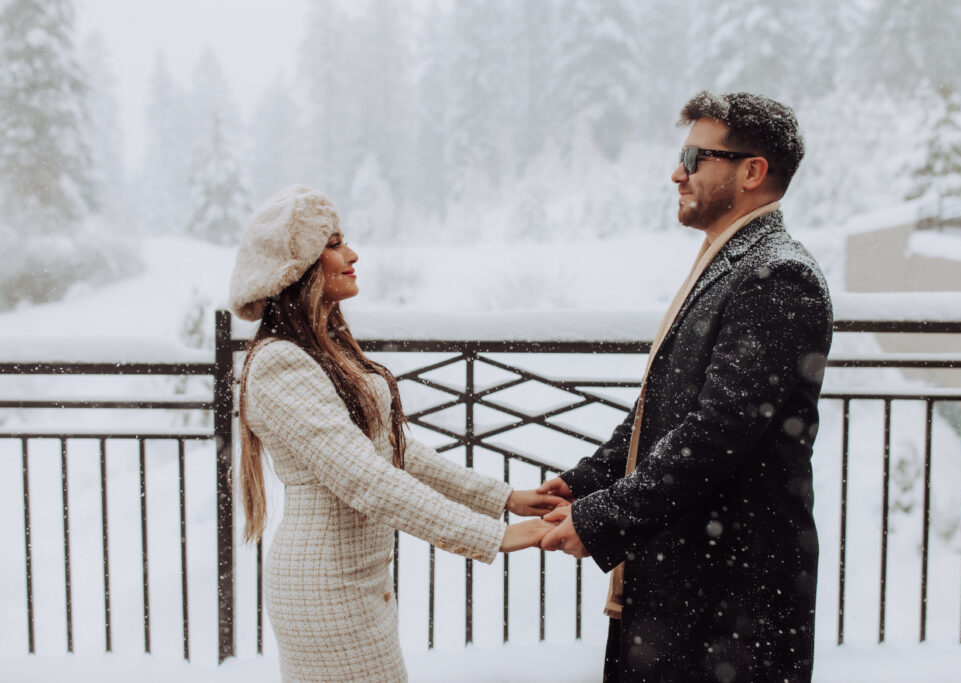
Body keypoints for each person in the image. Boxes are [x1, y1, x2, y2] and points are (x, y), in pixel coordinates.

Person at [538, 92, 833, 682]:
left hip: (730, 596)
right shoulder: (732, 263)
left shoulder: (777, 275)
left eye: (695, 157)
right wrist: (584, 482)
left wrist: (604, 518)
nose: (677, 172)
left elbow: (716, 433)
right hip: (692, 579)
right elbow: (662, 410)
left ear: (751, 172)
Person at [228, 185, 563, 682]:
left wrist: (505, 498)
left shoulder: (325, 351)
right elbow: (367, 480)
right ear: (296, 267)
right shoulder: (281, 363)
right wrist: (494, 536)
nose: (351, 254)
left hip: (358, 583)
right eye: (334, 243)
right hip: (326, 591)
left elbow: (395, 454)